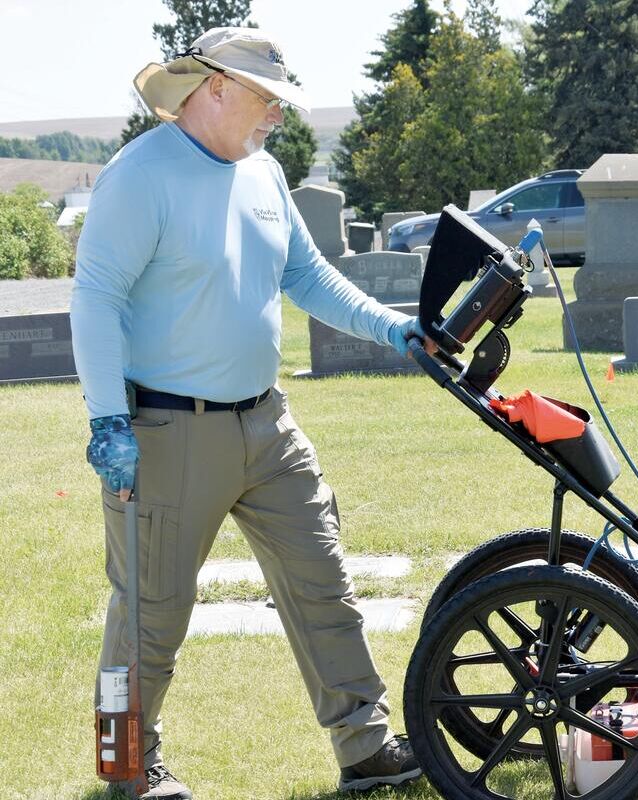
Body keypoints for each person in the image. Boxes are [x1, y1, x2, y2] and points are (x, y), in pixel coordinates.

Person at [71, 27, 434, 800]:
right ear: (214, 88)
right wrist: (107, 422)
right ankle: (126, 767)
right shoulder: (140, 175)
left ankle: (365, 747)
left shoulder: (264, 173)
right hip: (166, 432)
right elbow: (96, 298)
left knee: (323, 582)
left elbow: (309, 277)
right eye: (266, 98)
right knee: (149, 613)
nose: (277, 114)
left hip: (267, 427)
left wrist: (394, 328)